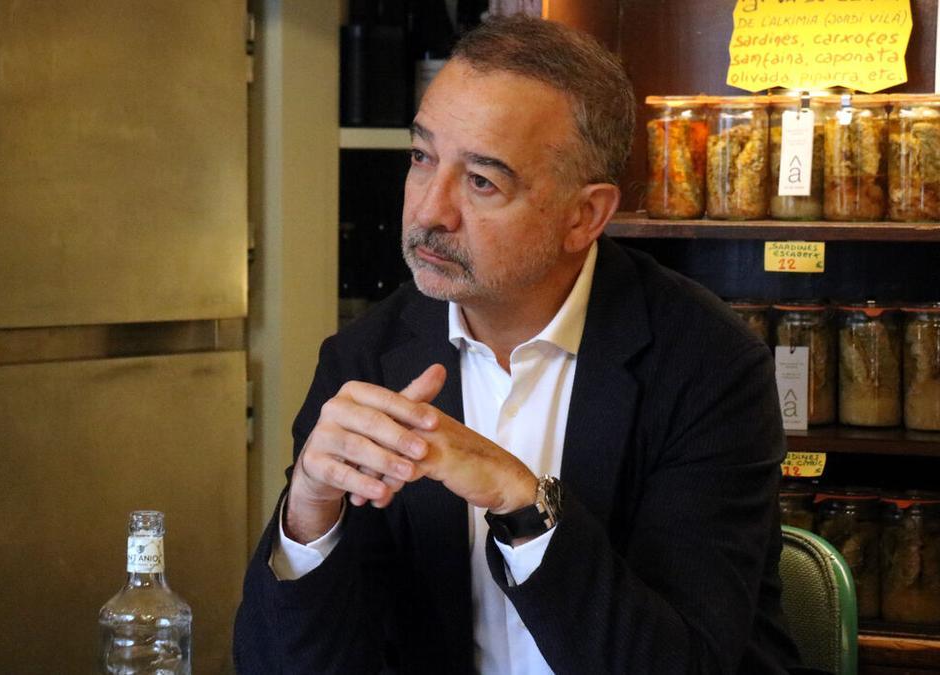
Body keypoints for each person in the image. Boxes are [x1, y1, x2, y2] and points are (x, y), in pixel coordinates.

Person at [234, 16, 801, 674]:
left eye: (481, 181)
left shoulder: (707, 363)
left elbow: (681, 664)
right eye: (422, 157)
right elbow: (274, 664)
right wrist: (309, 510)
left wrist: (526, 507)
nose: (429, 211)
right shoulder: (366, 358)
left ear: (584, 215)